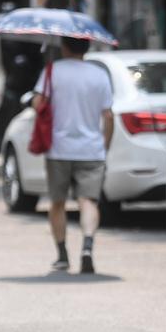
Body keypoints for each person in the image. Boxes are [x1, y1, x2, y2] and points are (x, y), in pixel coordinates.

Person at [32, 36, 113, 274]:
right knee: (88, 201)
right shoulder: (99, 75)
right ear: (86, 47)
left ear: (64, 47)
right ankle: (87, 247)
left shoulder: (52, 71)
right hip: (91, 149)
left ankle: (63, 255)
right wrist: (104, 144)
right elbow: (108, 116)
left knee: (57, 202)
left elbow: (37, 104)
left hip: (58, 148)